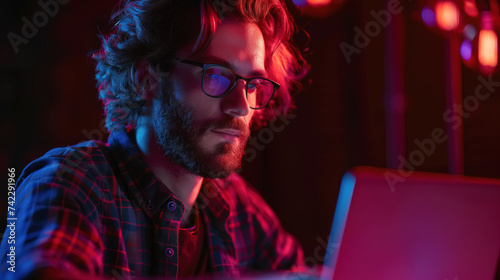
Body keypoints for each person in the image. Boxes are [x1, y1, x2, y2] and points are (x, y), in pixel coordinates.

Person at [1, 0, 309, 278]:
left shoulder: (236, 206)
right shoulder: (71, 184)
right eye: (216, 75)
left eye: (253, 84)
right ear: (147, 78)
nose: (240, 105)